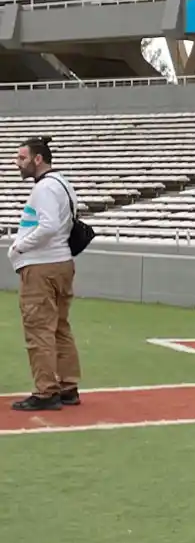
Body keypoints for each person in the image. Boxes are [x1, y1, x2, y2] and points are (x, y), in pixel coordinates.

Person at [9, 137, 83, 412]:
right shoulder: (63, 184)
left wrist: (19, 246)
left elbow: (49, 226)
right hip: (62, 262)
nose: (18, 163)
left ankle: (46, 391)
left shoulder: (44, 189)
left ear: (37, 159)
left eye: (22, 158)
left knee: (38, 330)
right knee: (61, 327)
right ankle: (67, 386)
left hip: (42, 266)